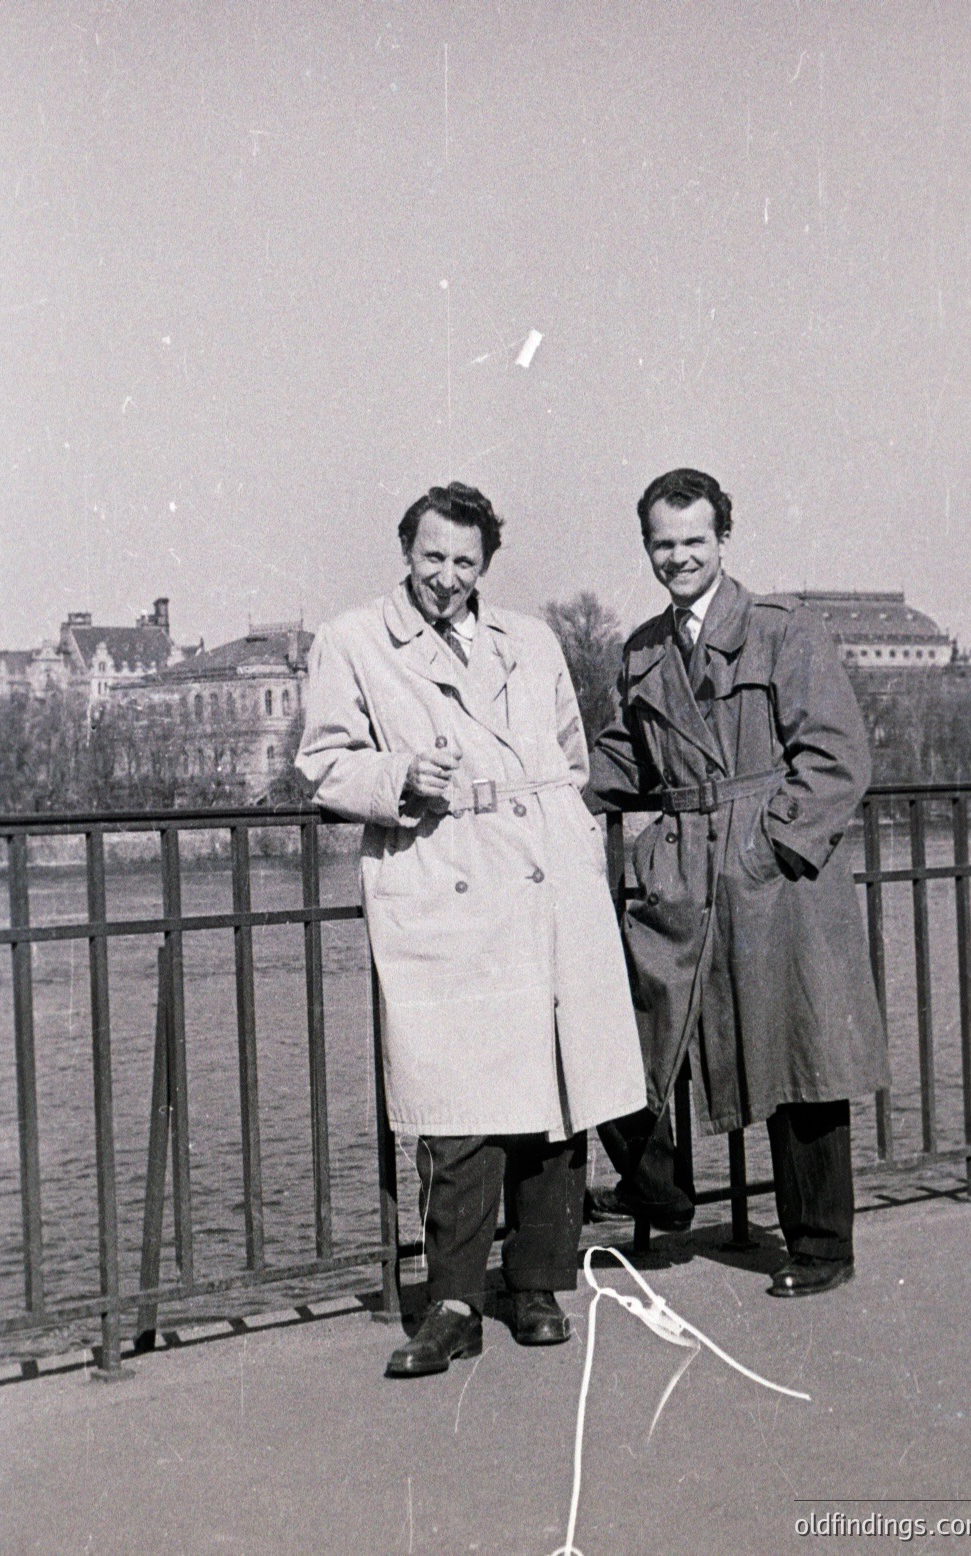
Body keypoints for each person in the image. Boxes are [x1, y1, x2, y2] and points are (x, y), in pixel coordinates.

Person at [295, 482, 648, 1377]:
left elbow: (570, 752)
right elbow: (324, 763)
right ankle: (452, 1302)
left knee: (554, 1095)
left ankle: (536, 1284)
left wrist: (562, 828)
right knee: (459, 1109)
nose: (447, 578)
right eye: (432, 558)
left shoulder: (529, 639)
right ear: (404, 551)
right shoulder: (352, 641)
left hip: (541, 873)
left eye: (465, 561)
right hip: (444, 875)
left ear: (486, 563)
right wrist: (404, 774)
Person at [587, 467, 889, 1297]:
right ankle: (661, 1189)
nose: (678, 557)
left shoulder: (781, 629)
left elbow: (836, 755)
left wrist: (770, 850)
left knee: (801, 1052)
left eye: (693, 540)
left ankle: (822, 1246)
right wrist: (547, 786)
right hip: (682, 865)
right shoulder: (642, 648)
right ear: (646, 546)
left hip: (773, 872)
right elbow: (624, 757)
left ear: (724, 538)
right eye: (663, 543)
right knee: (614, 1019)